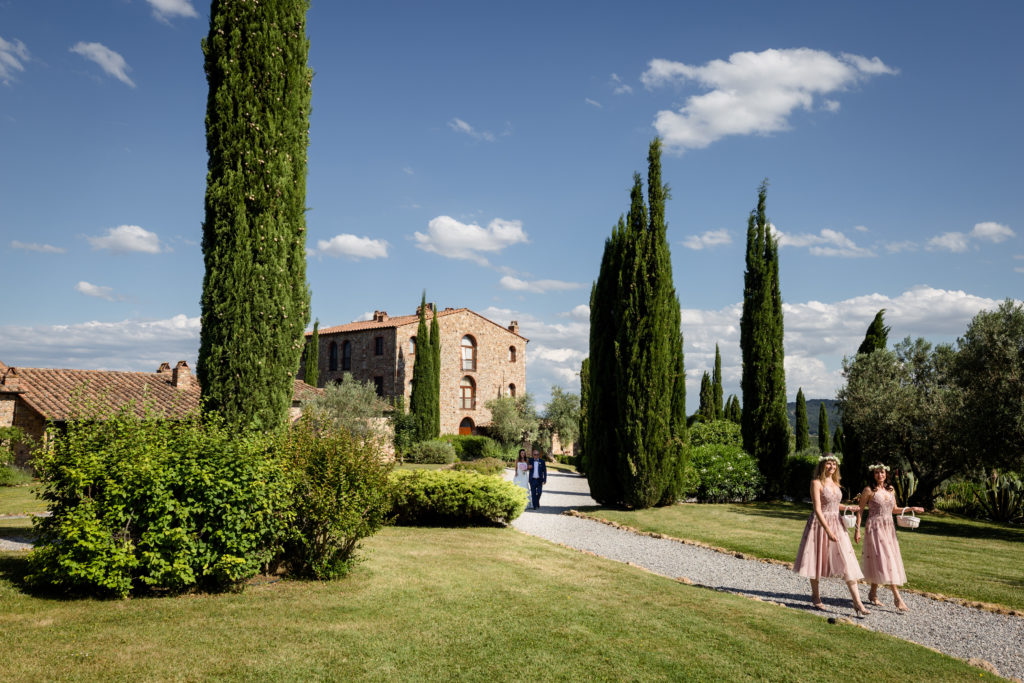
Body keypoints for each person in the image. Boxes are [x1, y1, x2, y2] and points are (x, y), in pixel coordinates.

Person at [792, 454, 871, 616]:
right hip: (820, 524)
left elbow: (834, 504)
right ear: (822, 465)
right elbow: (818, 508)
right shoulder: (816, 483)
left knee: (847, 560)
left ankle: (858, 602)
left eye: (834, 464)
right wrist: (827, 530)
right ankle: (815, 596)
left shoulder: (836, 483)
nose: (831, 467)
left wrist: (848, 508)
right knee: (816, 560)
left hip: (837, 523)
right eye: (828, 464)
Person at [854, 463, 924, 611]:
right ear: (873, 475)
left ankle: (873, 593)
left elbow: (894, 510)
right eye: (877, 473)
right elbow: (860, 510)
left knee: (882, 559)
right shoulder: (868, 490)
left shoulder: (890, 489)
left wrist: (911, 509)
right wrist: (857, 530)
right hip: (874, 527)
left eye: (882, 473)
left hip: (888, 528)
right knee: (885, 559)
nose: (880, 475)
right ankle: (897, 598)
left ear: (886, 474)